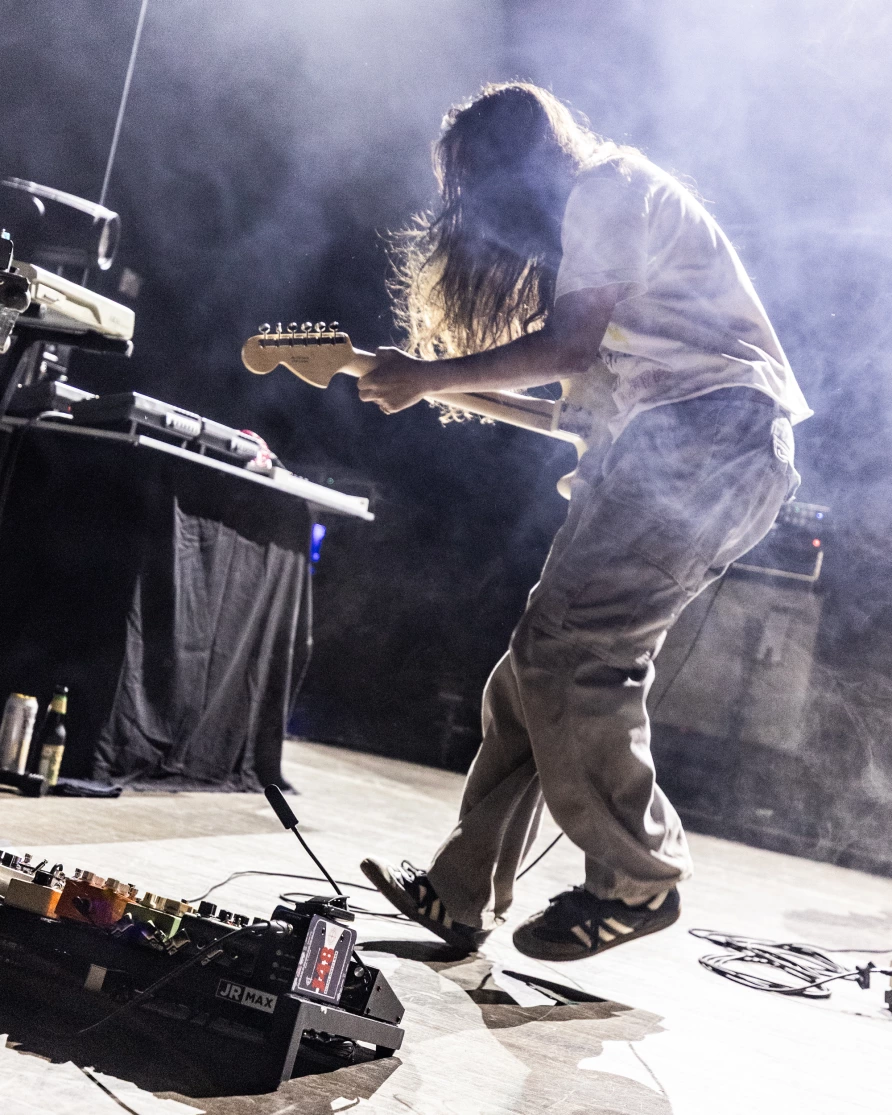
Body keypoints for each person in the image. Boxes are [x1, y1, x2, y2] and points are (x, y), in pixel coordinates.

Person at [356, 82, 810, 962]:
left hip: (711, 440)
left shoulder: (606, 189)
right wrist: (432, 383)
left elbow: (565, 347)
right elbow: (583, 407)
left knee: (577, 655)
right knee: (533, 669)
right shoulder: (612, 223)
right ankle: (459, 894)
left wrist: (425, 376)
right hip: (696, 446)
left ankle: (638, 875)